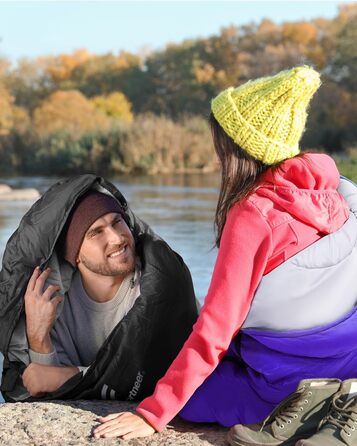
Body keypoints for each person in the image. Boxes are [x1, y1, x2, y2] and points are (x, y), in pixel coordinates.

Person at [92, 66, 357, 441]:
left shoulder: (253, 214)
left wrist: (153, 414)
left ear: (240, 149)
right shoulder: (335, 194)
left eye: (222, 146)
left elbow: (216, 328)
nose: (218, 159)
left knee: (188, 398)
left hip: (286, 376)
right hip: (348, 355)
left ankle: (310, 404)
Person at [0, 176, 198, 403]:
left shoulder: (161, 284)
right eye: (96, 232)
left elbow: (162, 374)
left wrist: (69, 375)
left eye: (117, 222)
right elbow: (45, 387)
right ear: (75, 255)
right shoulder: (55, 303)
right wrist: (38, 336)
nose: (116, 238)